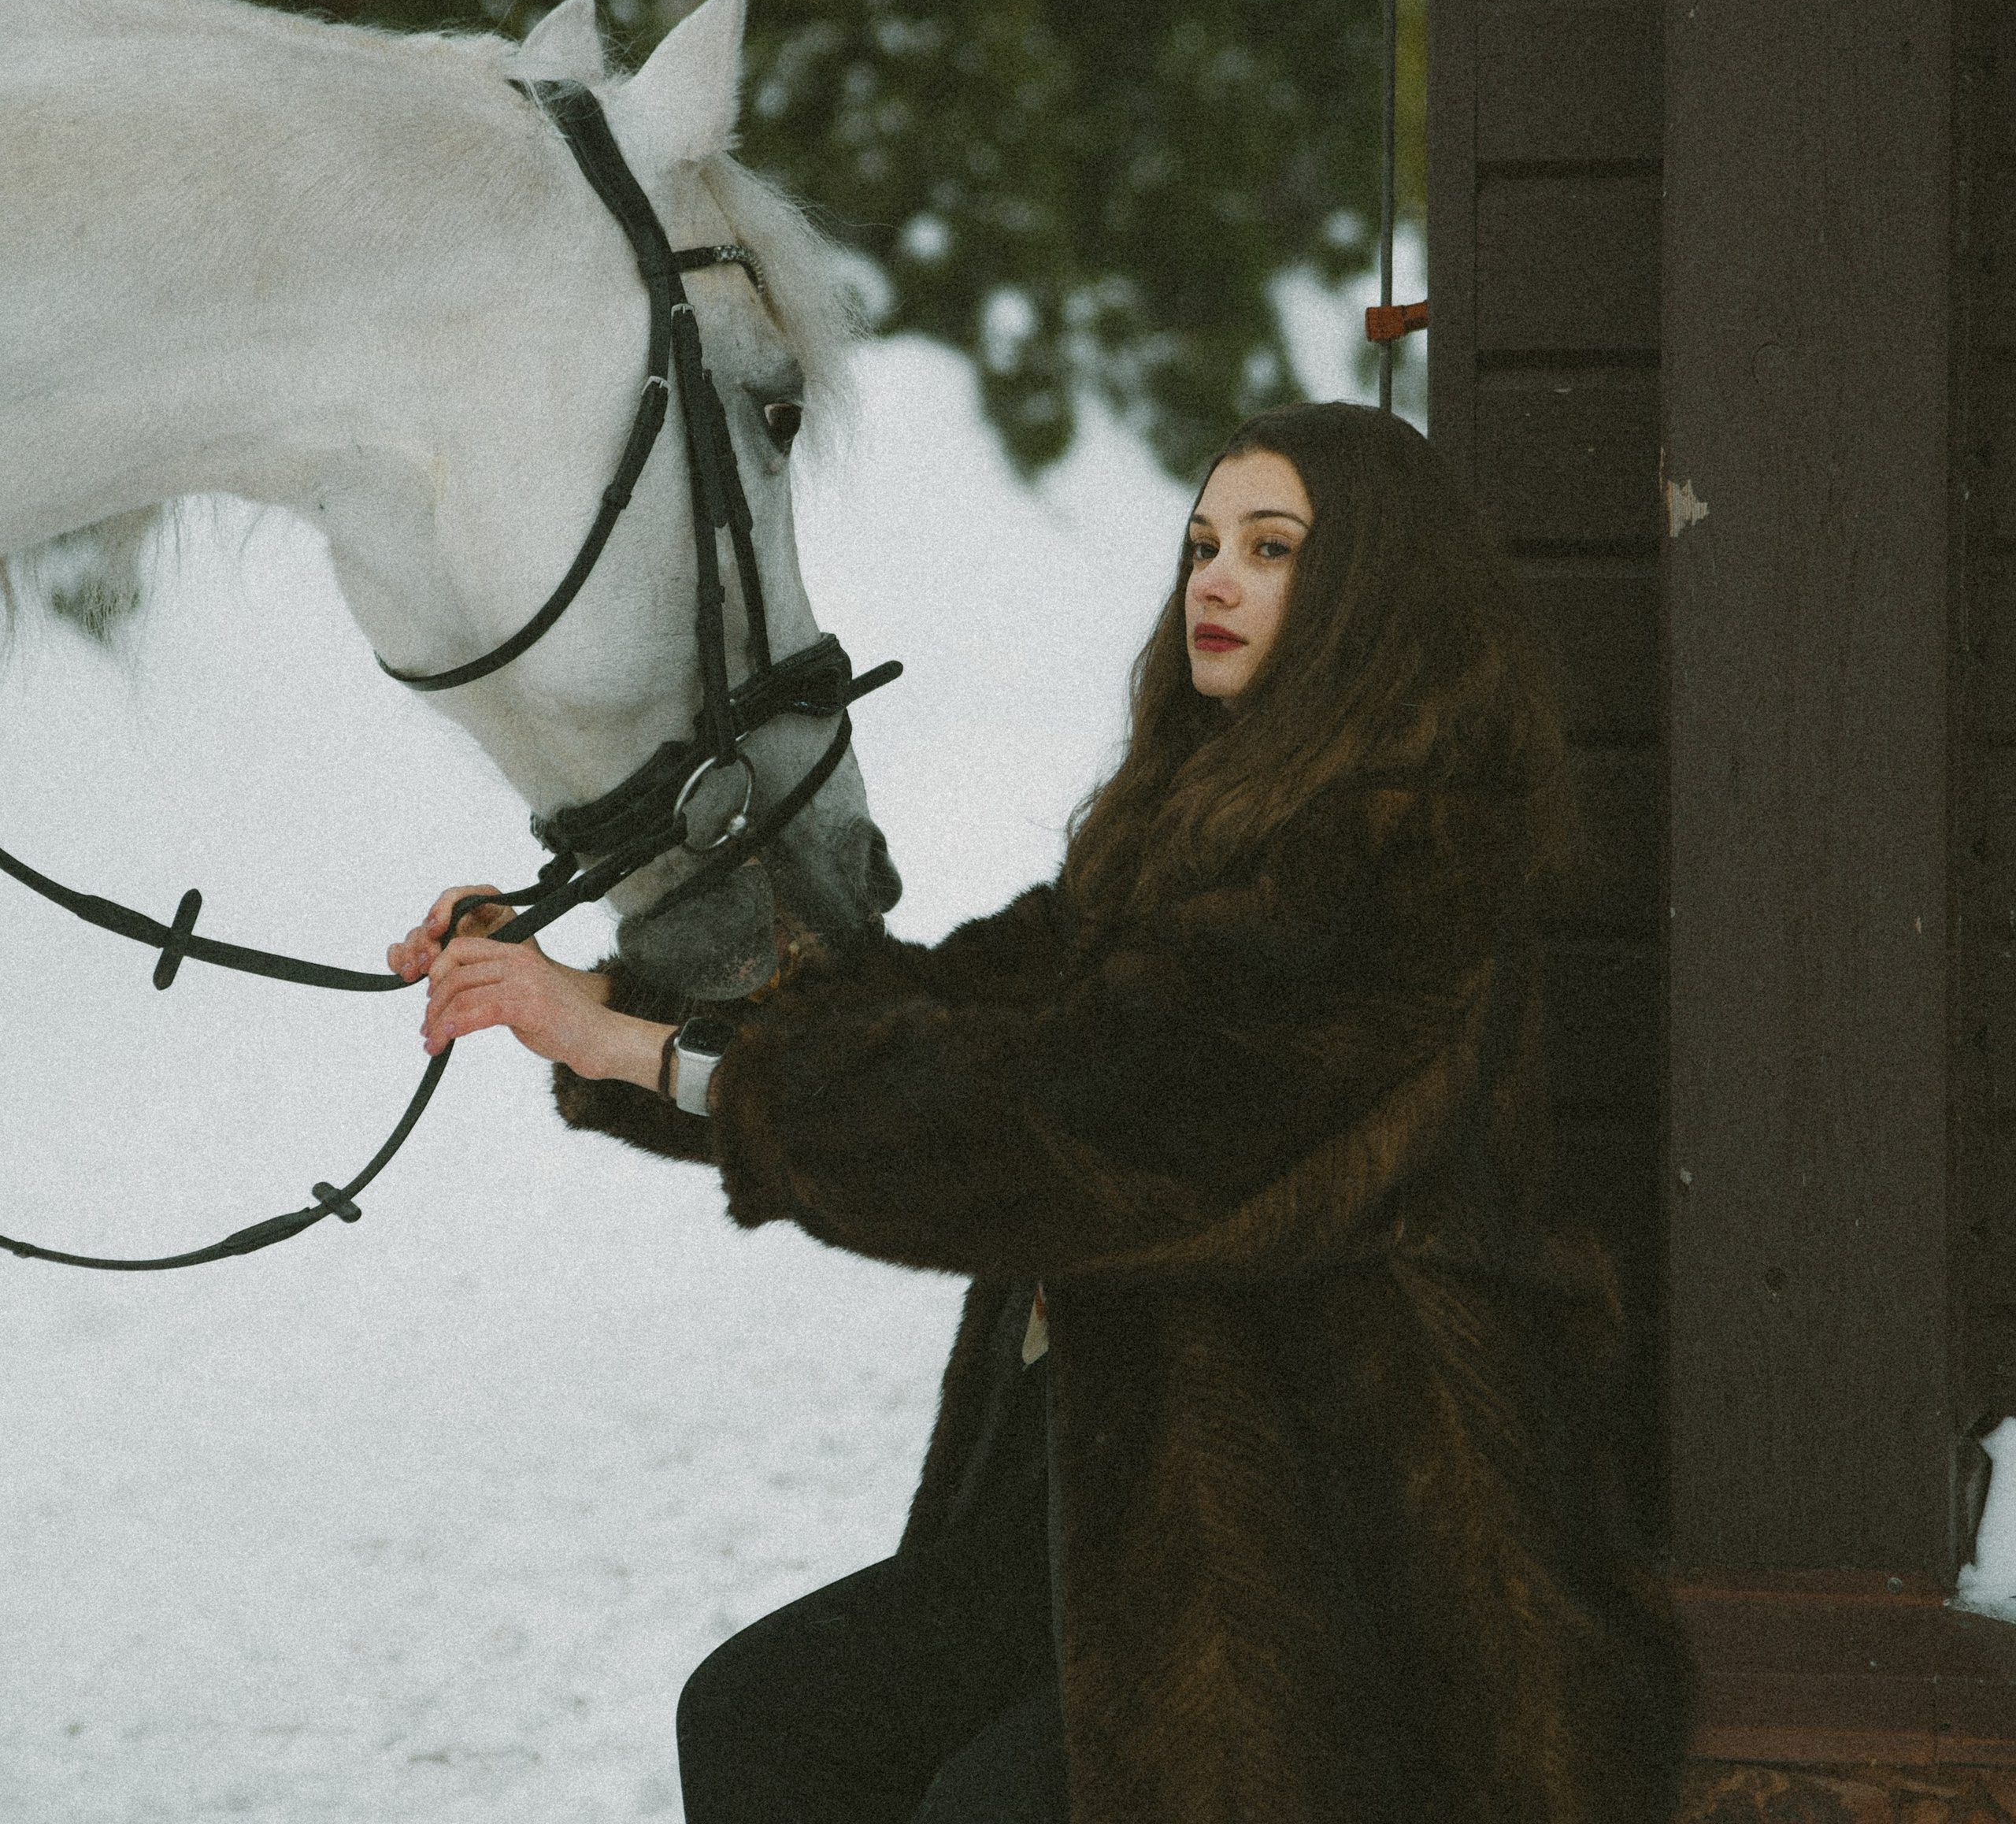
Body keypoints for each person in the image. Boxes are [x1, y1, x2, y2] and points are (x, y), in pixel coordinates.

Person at [388, 401, 1692, 1824]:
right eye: (1203, 544)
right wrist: (580, 990)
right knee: (767, 1718)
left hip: (1346, 1549)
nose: (1214, 579)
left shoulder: (1396, 859)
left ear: (1374, 596)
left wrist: (640, 1049)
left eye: (1274, 549)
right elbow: (942, 1017)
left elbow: (1051, 1110)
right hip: (1146, 1499)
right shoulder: (1185, 829)